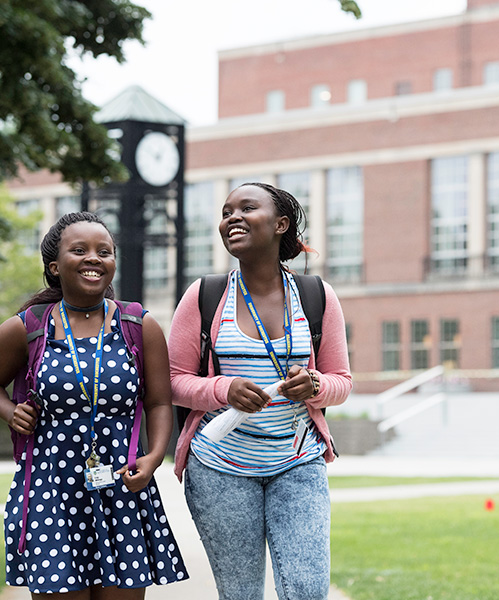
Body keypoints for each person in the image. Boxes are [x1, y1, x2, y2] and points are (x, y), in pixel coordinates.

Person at [0, 212, 187, 598]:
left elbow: (158, 401)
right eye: (80, 250)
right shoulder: (28, 326)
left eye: (104, 251)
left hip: (122, 488)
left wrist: (154, 456)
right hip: (51, 489)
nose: (94, 258)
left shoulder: (138, 324)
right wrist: (10, 411)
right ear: (55, 266)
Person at [168, 182, 352, 599]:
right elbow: (172, 382)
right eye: (226, 210)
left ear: (280, 224)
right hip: (221, 468)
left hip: (298, 462)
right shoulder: (205, 295)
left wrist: (316, 385)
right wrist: (223, 389)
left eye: (246, 208)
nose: (232, 217)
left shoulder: (316, 296)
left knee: (306, 590)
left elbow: (342, 381)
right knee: (241, 594)